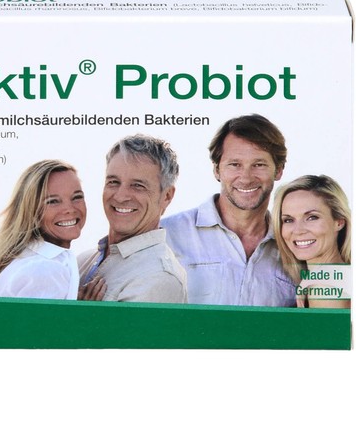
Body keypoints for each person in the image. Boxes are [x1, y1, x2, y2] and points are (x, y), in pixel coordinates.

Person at [161, 114, 296, 306]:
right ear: (217, 170)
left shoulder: (294, 246)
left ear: (279, 170)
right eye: (235, 165)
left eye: (259, 165)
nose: (246, 178)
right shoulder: (167, 235)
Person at [77, 134, 187, 303]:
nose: (120, 197)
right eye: (113, 182)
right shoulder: (82, 261)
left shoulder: (158, 277)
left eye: (138, 186)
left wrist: (84, 314)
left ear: (167, 196)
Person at [0, 159, 101, 299]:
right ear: (31, 211)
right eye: (53, 201)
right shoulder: (46, 270)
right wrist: (85, 311)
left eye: (77, 197)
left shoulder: (29, 260)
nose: (69, 209)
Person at [272, 175, 351, 309]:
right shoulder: (338, 275)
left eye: (312, 217)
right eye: (288, 220)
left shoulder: (325, 287)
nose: (298, 230)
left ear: (339, 222)